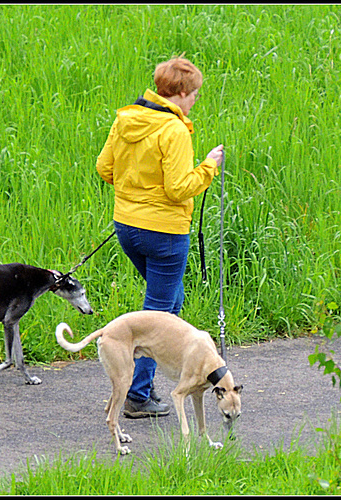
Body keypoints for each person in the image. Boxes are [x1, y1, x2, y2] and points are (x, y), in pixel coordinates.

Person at [96, 56, 224, 418]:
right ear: (181, 93)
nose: (196, 99)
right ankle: (138, 396)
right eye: (195, 93)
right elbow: (179, 188)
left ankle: (144, 384)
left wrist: (136, 187)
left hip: (127, 227)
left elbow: (105, 168)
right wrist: (209, 167)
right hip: (165, 234)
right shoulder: (175, 130)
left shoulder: (126, 118)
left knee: (172, 301)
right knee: (160, 310)